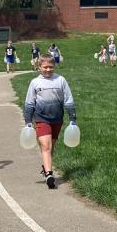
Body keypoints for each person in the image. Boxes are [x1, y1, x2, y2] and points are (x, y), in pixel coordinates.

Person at [23, 52, 77, 190]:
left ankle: (45, 167)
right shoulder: (35, 82)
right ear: (39, 67)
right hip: (41, 118)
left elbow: (69, 100)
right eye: (45, 67)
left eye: (51, 67)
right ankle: (49, 174)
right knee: (46, 145)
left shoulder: (60, 81)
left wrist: (72, 118)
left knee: (50, 147)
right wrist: (28, 120)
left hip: (57, 118)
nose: (48, 70)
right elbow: (29, 102)